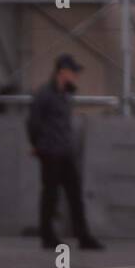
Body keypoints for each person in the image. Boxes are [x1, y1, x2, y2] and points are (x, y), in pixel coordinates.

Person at [26, 53, 103, 250]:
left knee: (75, 195)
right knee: (50, 195)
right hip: (50, 151)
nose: (76, 75)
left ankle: (83, 236)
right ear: (62, 72)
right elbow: (33, 122)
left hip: (65, 152)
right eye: (73, 71)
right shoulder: (44, 94)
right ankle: (47, 236)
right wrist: (37, 145)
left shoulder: (66, 94)